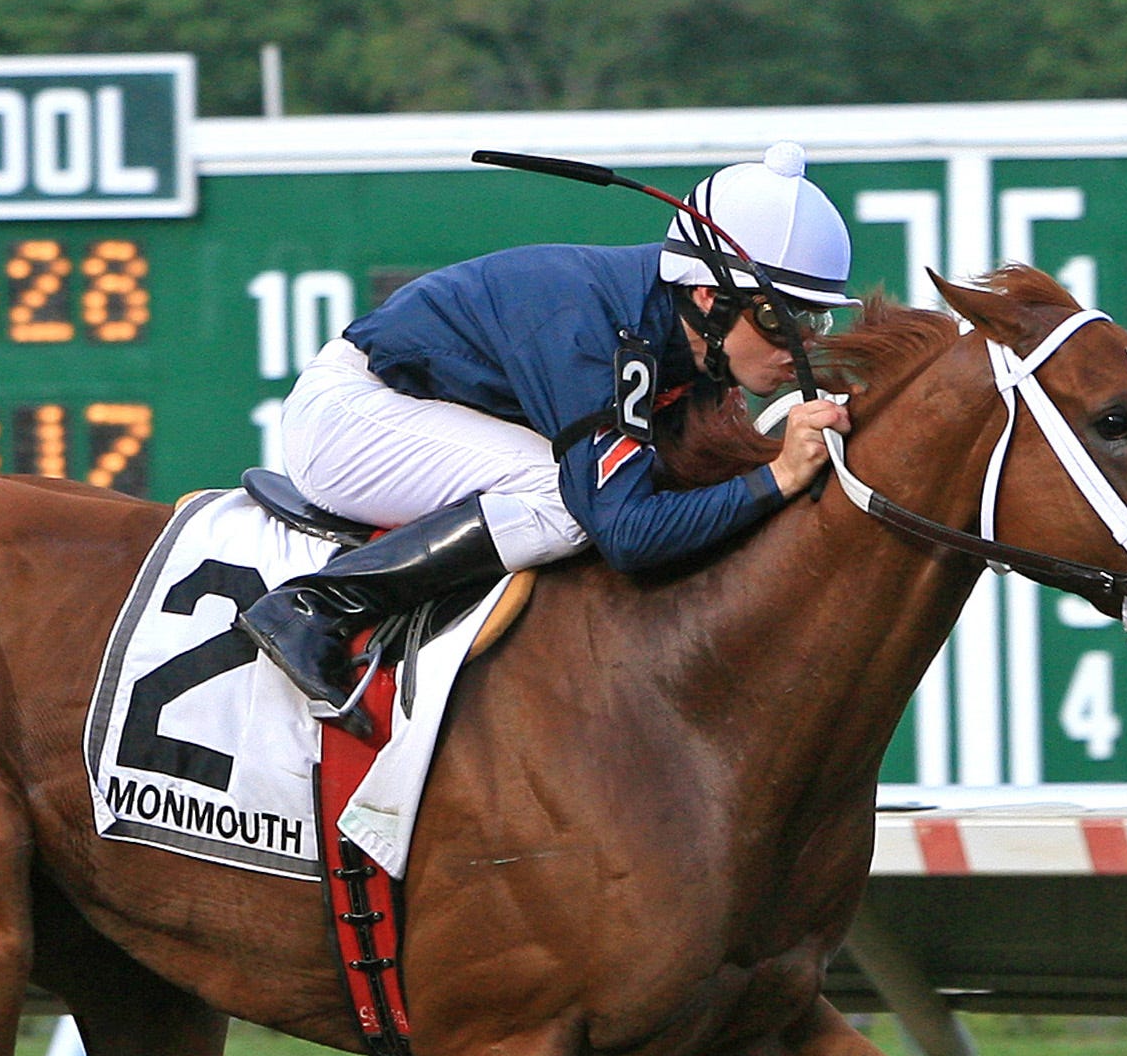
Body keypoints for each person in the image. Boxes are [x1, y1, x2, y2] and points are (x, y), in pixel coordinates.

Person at [241, 141, 859, 714]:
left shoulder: (687, 341)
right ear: (706, 297)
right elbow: (627, 534)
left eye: (816, 321)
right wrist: (778, 476)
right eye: (782, 319)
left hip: (431, 411)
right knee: (563, 501)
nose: (799, 346)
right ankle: (314, 604)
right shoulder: (600, 335)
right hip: (355, 418)